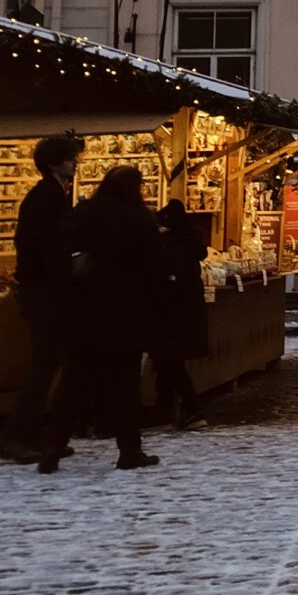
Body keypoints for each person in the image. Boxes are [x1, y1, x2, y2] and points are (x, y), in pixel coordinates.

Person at [39, 164, 163, 474]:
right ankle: (129, 450)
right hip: (125, 313)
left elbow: (57, 257)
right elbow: (154, 268)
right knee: (125, 385)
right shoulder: (139, 219)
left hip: (84, 311)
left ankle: (52, 448)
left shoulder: (83, 214)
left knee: (73, 383)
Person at [0, 133, 83, 463]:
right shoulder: (46, 196)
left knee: (49, 362)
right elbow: (36, 244)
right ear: (54, 163)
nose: (75, 163)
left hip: (45, 287)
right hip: (43, 290)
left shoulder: (53, 194)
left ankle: (34, 433)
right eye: (70, 158)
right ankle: (17, 436)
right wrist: (60, 270)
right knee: (44, 363)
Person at [148, 198, 210, 431]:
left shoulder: (176, 250)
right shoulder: (185, 246)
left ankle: (192, 409)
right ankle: (164, 409)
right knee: (167, 363)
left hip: (175, 317)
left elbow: (174, 284)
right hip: (182, 316)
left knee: (170, 363)